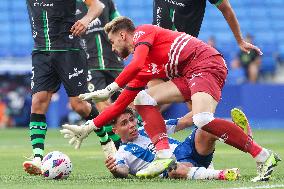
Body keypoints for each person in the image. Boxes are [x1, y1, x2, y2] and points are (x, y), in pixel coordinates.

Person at [60, 17, 281, 182]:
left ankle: (261, 155)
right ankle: (165, 154)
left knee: (202, 120)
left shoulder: (142, 32)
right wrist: (89, 126)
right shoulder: (144, 66)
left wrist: (111, 87)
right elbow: (119, 106)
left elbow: (135, 65)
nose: (112, 48)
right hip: (189, 73)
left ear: (122, 35)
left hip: (205, 63)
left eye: (111, 42)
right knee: (143, 100)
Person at [23, 0, 104, 175]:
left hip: (69, 51)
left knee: (79, 106)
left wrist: (86, 20)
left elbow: (98, 5)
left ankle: (108, 141)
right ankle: (37, 157)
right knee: (38, 101)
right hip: (42, 52)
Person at [105, 107, 241, 180]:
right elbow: (123, 170)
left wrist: (203, 108)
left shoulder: (149, 127)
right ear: (115, 130)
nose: (131, 125)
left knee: (205, 128)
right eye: (124, 123)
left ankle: (240, 134)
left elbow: (185, 121)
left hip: (187, 151)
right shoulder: (122, 153)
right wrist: (115, 170)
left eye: (131, 120)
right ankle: (220, 174)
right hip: (172, 168)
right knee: (175, 169)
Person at [76, 0, 124, 155]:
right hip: (90, 64)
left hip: (114, 61)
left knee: (130, 104)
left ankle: (137, 143)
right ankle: (119, 148)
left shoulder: (105, 2)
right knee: (102, 106)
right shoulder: (69, 5)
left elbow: (119, 21)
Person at [153, 0, 262, 55]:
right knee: (153, 94)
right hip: (157, 49)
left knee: (193, 96)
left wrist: (240, 41)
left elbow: (227, 9)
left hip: (183, 52)